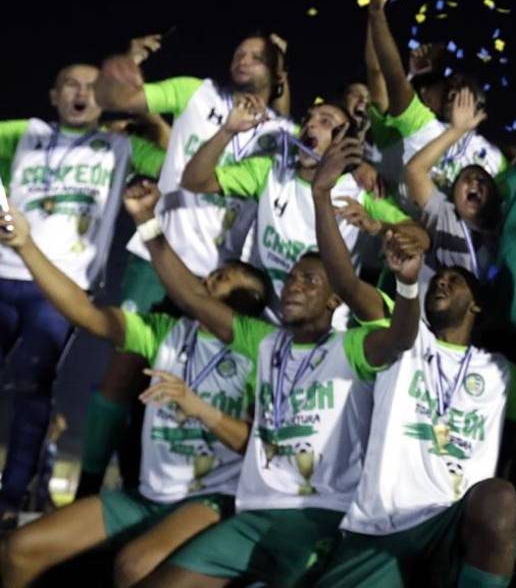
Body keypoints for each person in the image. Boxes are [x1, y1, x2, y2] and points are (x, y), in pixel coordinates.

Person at [125, 178, 425, 588]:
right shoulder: (265, 342)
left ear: (334, 300)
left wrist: (408, 284)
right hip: (253, 513)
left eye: (310, 282)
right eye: (292, 278)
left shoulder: (350, 347)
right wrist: (146, 221)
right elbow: (192, 299)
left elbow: (401, 337)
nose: (294, 287)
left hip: (319, 514)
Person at [309, 143, 516, 588]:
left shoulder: (498, 372)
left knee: (498, 497)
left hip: (453, 525)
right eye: (436, 278)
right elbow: (344, 279)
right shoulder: (403, 329)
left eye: (454, 280)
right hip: (383, 526)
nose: (441, 280)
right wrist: (320, 197)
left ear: (477, 307)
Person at [0, 193, 268, 587]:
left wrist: (200, 409)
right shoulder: (165, 332)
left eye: (222, 280)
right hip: (146, 496)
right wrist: (25, 245)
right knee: (19, 548)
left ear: (248, 304)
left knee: (134, 568)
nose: (207, 280)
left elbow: (258, 446)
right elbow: (86, 313)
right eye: (211, 275)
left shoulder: (258, 352)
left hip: (212, 499)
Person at [81, 32, 292, 497]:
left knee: (183, 385)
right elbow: (122, 97)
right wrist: (123, 67)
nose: (242, 59)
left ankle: (155, 489)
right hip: (158, 256)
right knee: (125, 368)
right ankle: (87, 488)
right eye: (238, 52)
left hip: (219, 277)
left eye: (256, 56)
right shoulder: (195, 91)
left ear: (276, 74)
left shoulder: (283, 134)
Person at [0, 63, 161, 523]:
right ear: (54, 94)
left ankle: (11, 499)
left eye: (94, 88)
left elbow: (176, 165)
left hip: (59, 288)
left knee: (32, 387)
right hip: (1, 272)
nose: (82, 93)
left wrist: (145, 115)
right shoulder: (24, 134)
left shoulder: (119, 146)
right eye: (71, 83)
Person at [179, 96, 405, 318]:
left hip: (324, 334)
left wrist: (378, 226)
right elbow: (194, 180)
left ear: (346, 142)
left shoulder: (363, 191)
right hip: (265, 322)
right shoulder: (270, 172)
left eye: (325, 121)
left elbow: (418, 235)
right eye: (308, 119)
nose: (310, 124)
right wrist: (227, 130)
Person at [365, 0, 506, 192]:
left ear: (482, 109)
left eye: (460, 89)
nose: (455, 90)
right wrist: (376, 7)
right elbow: (384, 72)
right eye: (448, 92)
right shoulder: (421, 125)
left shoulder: (495, 158)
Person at [403, 88, 503, 289]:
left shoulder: (509, 223)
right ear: (454, 198)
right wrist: (457, 130)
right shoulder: (444, 215)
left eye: (482, 180)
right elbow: (415, 171)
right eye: (466, 179)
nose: (474, 183)